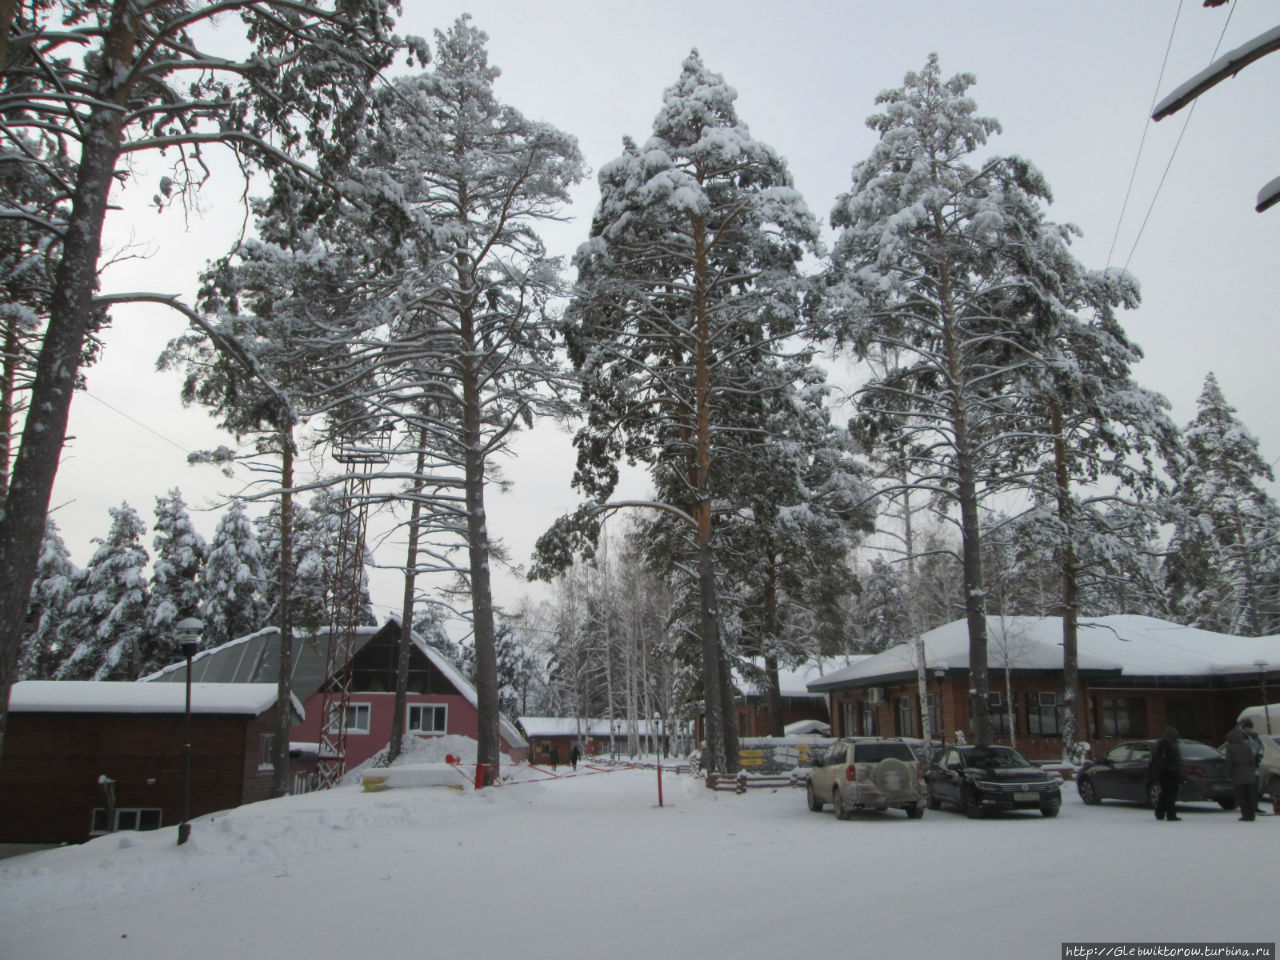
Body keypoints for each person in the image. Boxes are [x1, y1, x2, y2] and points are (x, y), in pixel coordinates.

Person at [1147, 726, 1182, 821]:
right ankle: (1171, 814)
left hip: (1162, 772)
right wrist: (1181, 773)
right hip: (1172, 772)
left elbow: (1154, 759)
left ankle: (1159, 813)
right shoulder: (1173, 745)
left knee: (1163, 793)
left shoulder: (1158, 744)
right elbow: (1178, 761)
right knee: (1171, 794)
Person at [1225, 725, 1259, 821]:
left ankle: (1245, 815)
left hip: (1238, 773)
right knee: (1250, 795)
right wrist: (1252, 771)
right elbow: (1252, 760)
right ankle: (1252, 815)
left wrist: (1228, 774)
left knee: (1241, 796)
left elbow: (1229, 762)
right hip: (1249, 774)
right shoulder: (1246, 746)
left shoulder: (1230, 747)